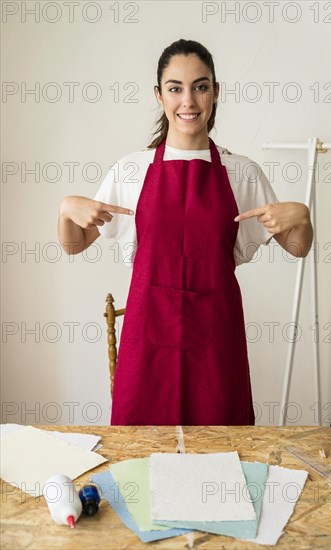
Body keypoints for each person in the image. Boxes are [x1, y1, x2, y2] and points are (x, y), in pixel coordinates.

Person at [58, 39, 313, 426]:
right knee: (139, 461)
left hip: (217, 344)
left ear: (215, 92)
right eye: (176, 88)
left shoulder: (241, 172)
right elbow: (74, 245)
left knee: (222, 456)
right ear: (159, 95)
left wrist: (303, 217)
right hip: (148, 344)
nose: (189, 101)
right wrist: (64, 209)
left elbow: (297, 247)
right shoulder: (131, 170)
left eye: (200, 86)